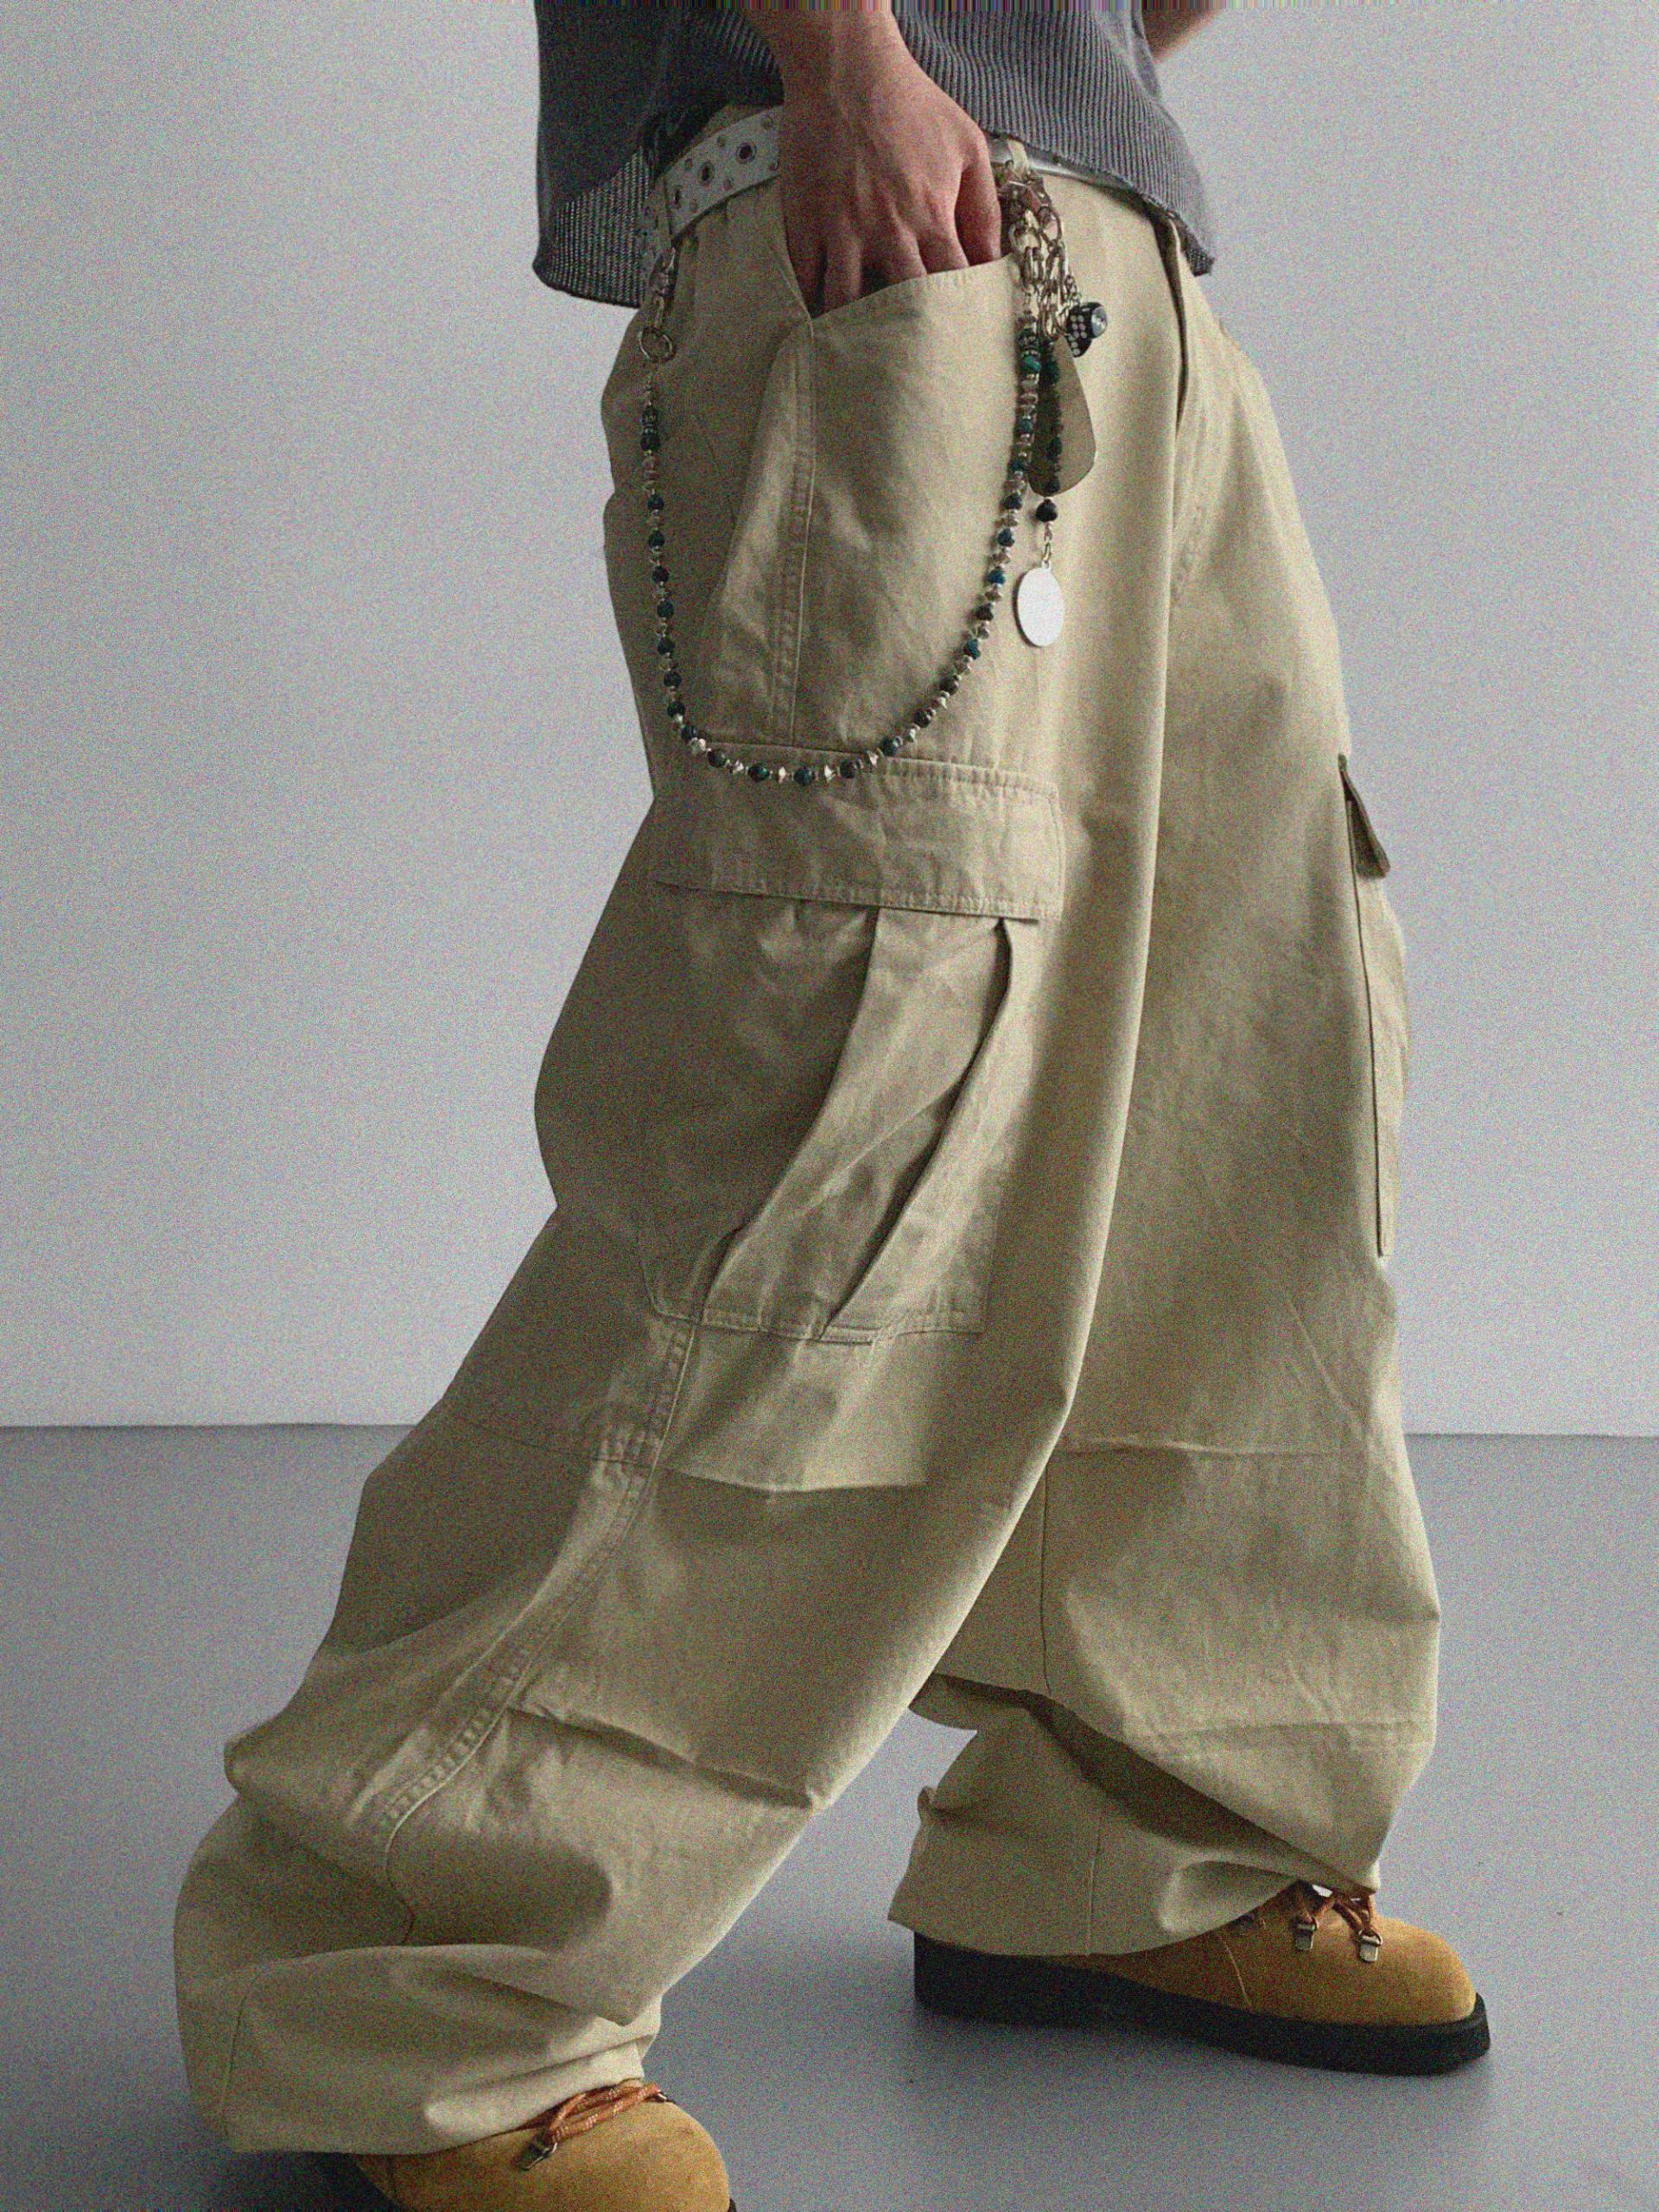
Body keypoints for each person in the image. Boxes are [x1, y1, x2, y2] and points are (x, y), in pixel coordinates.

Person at [172, 5, 1491, 2207]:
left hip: (1122, 255)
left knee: (1244, 1083)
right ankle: (409, 1972)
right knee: (840, 1114)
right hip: (879, 201)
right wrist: (847, 54)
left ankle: (1142, 1838)